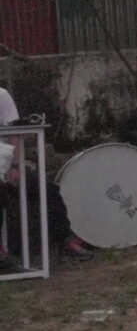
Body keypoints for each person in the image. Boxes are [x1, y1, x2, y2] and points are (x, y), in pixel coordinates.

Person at [0, 79, 91, 264]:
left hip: (5, 161)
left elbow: (14, 132)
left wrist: (14, 166)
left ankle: (66, 241)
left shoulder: (1, 95)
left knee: (47, 190)